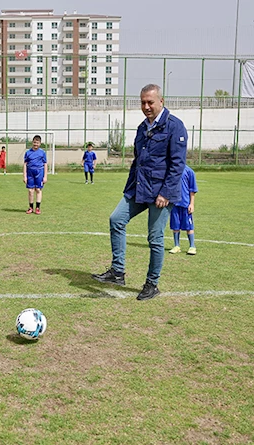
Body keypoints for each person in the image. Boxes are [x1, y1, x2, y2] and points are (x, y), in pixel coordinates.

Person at [91, 84, 188, 301]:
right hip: (139, 188)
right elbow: (138, 161)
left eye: (150, 102)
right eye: (143, 102)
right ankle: (117, 272)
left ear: (161, 101)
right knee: (116, 219)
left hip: (161, 194)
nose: (146, 106)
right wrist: (129, 188)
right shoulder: (142, 128)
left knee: (154, 238)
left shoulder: (175, 127)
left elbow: (177, 165)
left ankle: (152, 284)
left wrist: (165, 193)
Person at [169, 165, 198, 255]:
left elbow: (192, 190)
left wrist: (191, 204)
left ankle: (192, 246)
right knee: (175, 226)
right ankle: (177, 246)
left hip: (185, 204)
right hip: (173, 203)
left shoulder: (189, 171)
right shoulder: (171, 170)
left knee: (189, 226)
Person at [23, 135, 48, 215]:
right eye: (34, 142)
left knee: (38, 190)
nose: (35, 144)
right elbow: (25, 164)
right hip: (30, 173)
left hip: (39, 173)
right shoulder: (28, 153)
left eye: (37, 143)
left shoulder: (42, 153)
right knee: (30, 190)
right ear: (32, 142)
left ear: (40, 143)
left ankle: (37, 208)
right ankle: (30, 207)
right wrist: (24, 176)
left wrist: (45, 176)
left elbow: (45, 164)